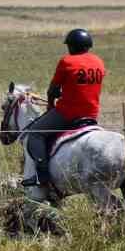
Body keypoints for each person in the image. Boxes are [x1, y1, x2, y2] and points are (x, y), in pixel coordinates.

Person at [21, 27, 105, 192]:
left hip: (68, 113)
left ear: (71, 46)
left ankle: (42, 176)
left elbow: (52, 90)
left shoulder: (67, 61)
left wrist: (51, 104)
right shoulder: (99, 62)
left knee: (36, 133)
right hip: (92, 114)